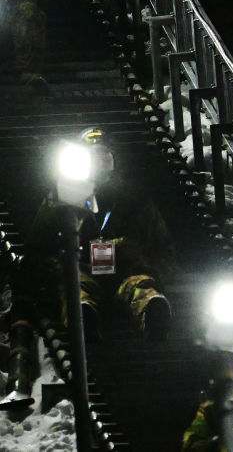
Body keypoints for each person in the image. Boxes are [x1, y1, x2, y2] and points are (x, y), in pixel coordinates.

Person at [25, 127, 175, 342]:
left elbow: (162, 244)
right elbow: (38, 243)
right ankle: (83, 320)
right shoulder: (63, 198)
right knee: (76, 289)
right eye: (93, 156)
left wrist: (152, 269)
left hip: (126, 270)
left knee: (141, 286)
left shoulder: (132, 199)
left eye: (105, 155)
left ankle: (153, 314)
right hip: (82, 269)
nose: (100, 162)